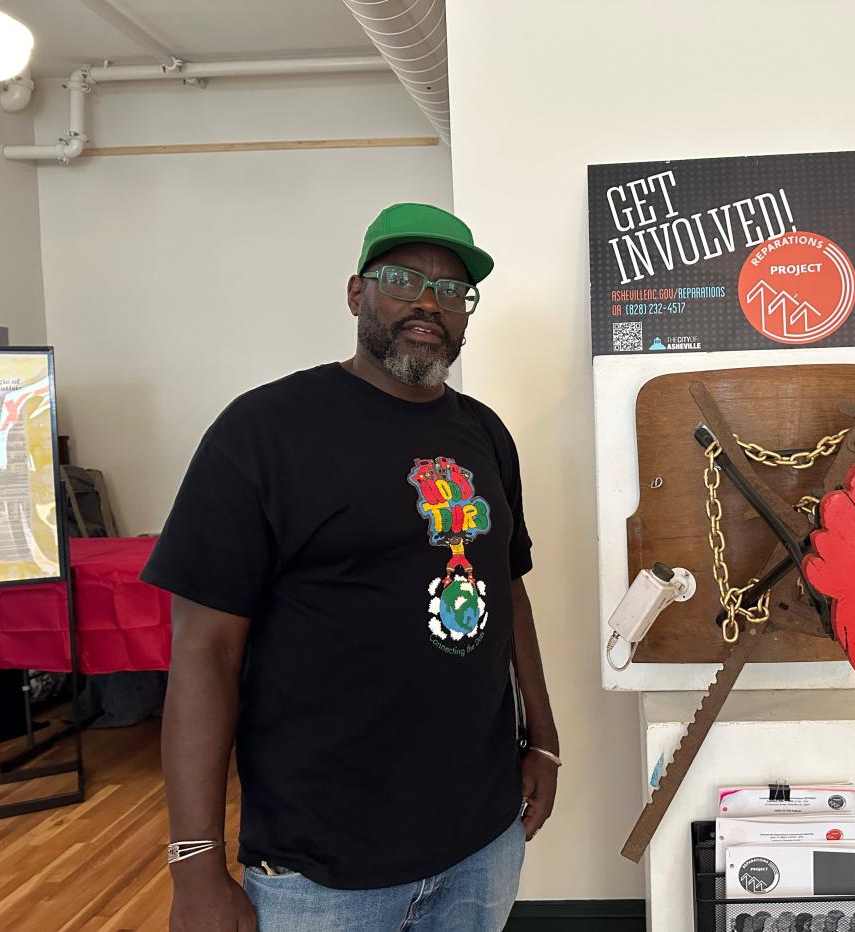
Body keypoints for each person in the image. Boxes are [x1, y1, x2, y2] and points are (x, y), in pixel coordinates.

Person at [144, 203, 560, 932]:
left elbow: (507, 588)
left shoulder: (485, 433)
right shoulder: (264, 432)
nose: (430, 301)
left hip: (483, 840)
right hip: (322, 868)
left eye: (454, 289)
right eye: (403, 278)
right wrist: (196, 864)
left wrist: (545, 740)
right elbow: (203, 650)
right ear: (355, 293)